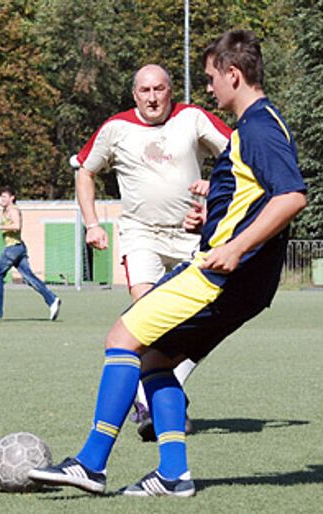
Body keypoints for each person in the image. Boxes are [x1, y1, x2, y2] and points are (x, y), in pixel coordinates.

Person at [29, 29, 307, 497]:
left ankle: (91, 465)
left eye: (212, 78)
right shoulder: (262, 124)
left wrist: (234, 248)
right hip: (242, 284)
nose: (210, 88)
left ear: (233, 75)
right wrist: (212, 219)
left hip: (218, 277)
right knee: (156, 358)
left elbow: (291, 196)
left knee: (122, 337)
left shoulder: (256, 127)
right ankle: (173, 475)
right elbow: (256, 198)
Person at [74, 63, 232, 438]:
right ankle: (153, 406)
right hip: (140, 234)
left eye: (159, 89)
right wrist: (93, 223)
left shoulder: (192, 118)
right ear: (135, 95)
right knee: (147, 319)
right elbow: (85, 170)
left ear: (170, 90)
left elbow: (238, 154)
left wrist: (216, 189)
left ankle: (160, 388)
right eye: (145, 90)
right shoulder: (115, 128)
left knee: (200, 326)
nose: (152, 97)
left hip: (193, 237)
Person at [0, 179, 61, 321]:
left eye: (5, 197)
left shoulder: (13, 210)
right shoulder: (6, 207)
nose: (2, 199)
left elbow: (17, 226)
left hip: (12, 249)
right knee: (29, 278)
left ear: (12, 198)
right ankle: (52, 300)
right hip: (19, 248)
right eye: (2, 197)